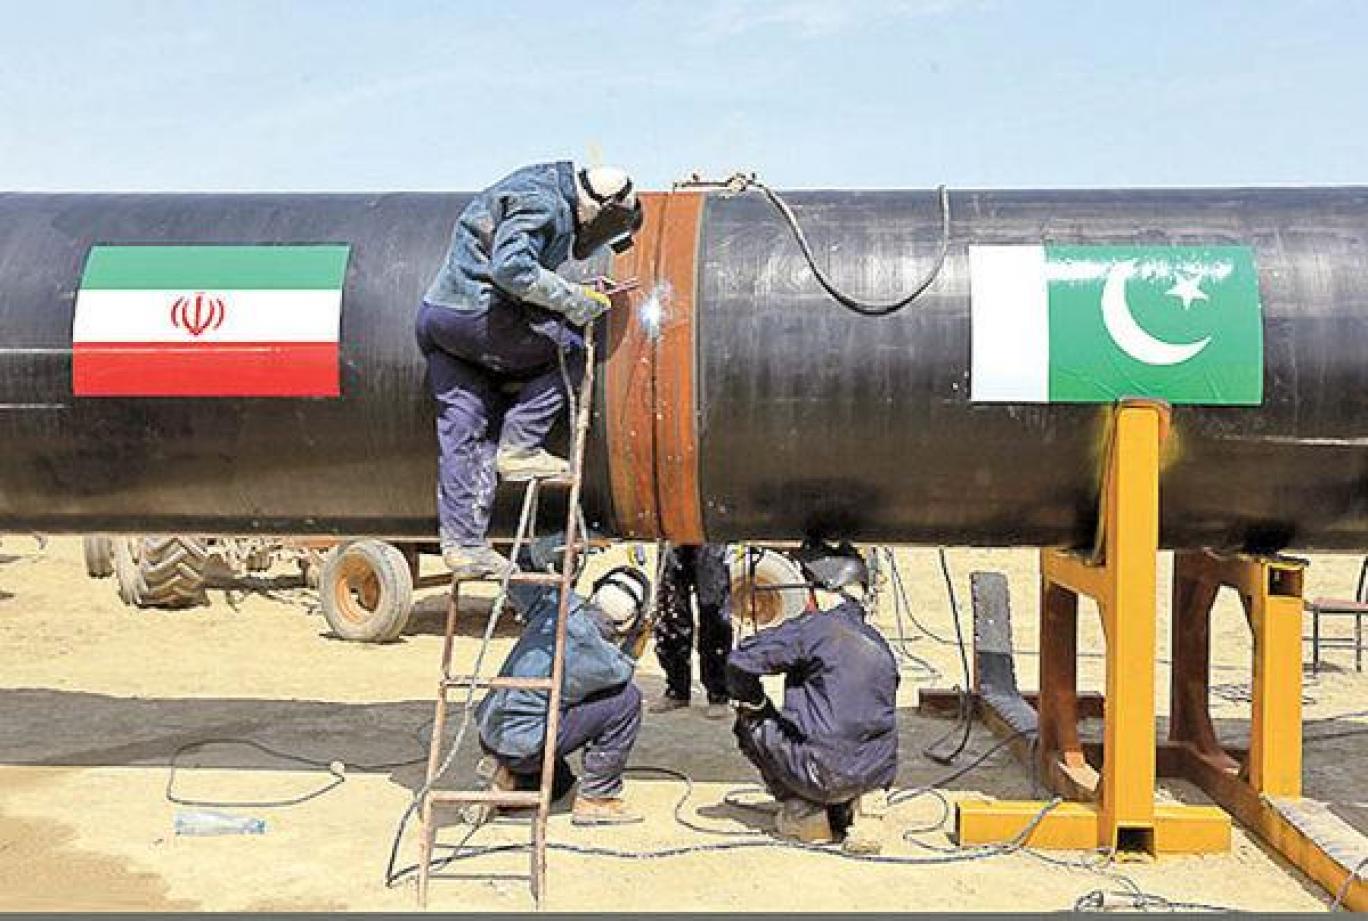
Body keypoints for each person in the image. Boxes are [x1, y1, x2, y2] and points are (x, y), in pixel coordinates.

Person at [416, 161, 644, 579]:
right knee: (570, 349)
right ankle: (520, 446)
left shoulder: (538, 185)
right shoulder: (545, 202)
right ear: (601, 209)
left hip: (442, 320)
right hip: (477, 315)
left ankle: (465, 546)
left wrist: (571, 291)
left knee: (465, 430)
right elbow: (511, 269)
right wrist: (574, 300)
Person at [725, 540, 898, 853]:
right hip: (874, 770)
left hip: (817, 772)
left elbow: (740, 662)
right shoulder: (878, 642)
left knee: (749, 723)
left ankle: (805, 813)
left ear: (819, 591)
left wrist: (754, 703)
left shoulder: (813, 630)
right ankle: (868, 807)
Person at [475, 557, 653, 826]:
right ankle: (597, 798)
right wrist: (637, 640)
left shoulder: (558, 606)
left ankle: (508, 779)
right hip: (527, 746)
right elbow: (626, 665)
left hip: (490, 731)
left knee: (560, 785)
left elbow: (521, 584)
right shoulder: (609, 665)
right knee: (627, 701)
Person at [650, 543, 734, 718]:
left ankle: (718, 694)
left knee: (714, 614)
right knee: (671, 612)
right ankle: (677, 690)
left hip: (709, 538)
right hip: (674, 537)